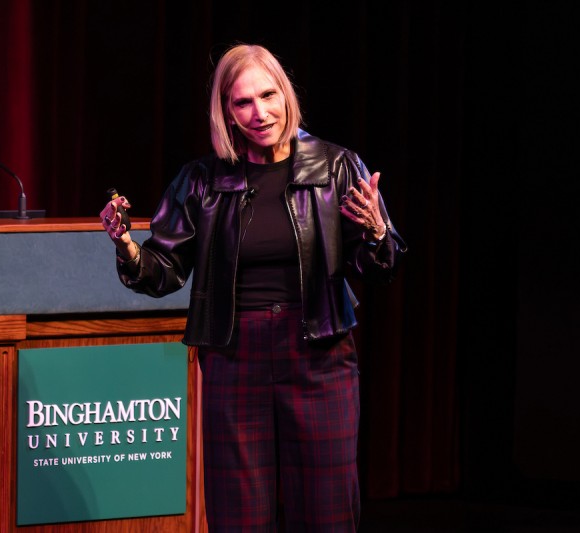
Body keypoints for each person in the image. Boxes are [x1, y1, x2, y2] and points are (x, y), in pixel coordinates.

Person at [100, 43, 406, 532]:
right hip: (234, 356)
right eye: (242, 102)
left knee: (327, 515)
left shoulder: (336, 167)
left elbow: (380, 267)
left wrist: (375, 233)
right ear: (226, 112)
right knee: (238, 516)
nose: (259, 113)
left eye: (268, 95)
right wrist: (128, 247)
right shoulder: (201, 180)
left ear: (286, 95)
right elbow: (165, 270)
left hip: (320, 356)